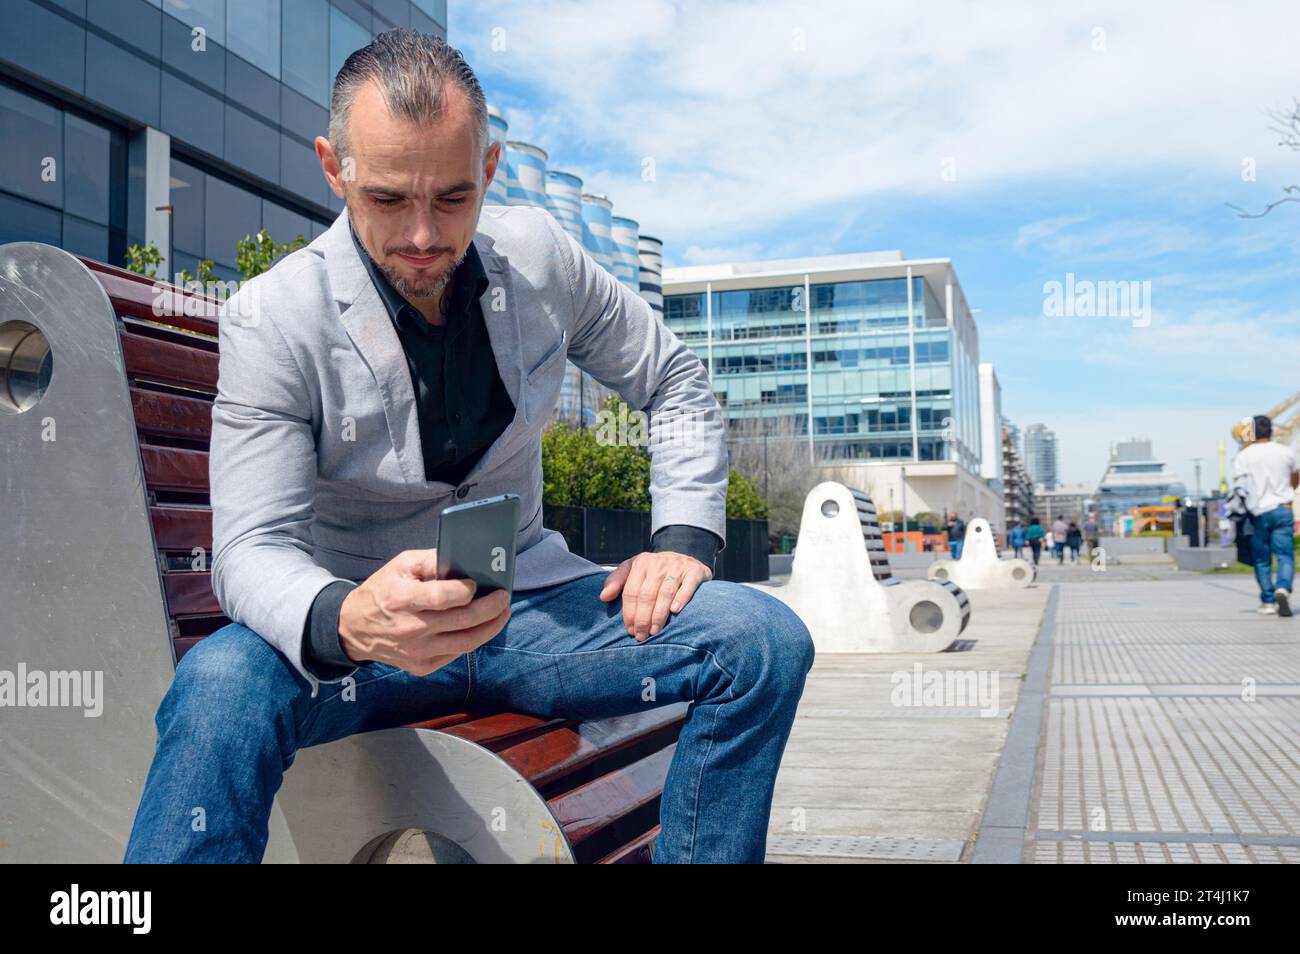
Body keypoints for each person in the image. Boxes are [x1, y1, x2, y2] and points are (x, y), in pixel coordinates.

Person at [123, 31, 814, 864]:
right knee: (221, 685)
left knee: (764, 644)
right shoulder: (274, 318)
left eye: (452, 198)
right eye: (387, 199)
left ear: (488, 170)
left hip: (530, 612)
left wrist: (683, 541)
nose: (422, 235)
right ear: (332, 168)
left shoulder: (541, 259)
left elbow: (673, 382)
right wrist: (347, 616)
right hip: (360, 642)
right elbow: (249, 549)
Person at [1230, 414, 1298, 616]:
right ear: (1271, 430)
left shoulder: (1244, 455)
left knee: (1262, 559)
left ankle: (1268, 601)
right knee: (1285, 554)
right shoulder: (1286, 452)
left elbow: (1239, 486)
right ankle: (1283, 588)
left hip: (1257, 512)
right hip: (1283, 508)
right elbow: (1296, 477)